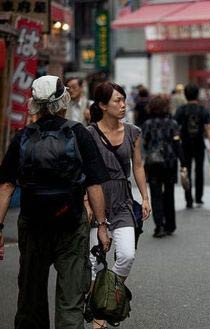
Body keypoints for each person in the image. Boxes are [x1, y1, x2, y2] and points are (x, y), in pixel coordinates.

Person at [0, 75, 111, 329]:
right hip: (71, 225)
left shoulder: (22, 137)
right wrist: (102, 225)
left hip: (32, 226)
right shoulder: (78, 133)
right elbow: (94, 184)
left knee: (30, 299)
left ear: (34, 104)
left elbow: (6, 185)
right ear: (63, 101)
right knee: (71, 300)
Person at [87, 82, 151, 329]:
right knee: (95, 262)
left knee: (126, 254)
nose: (123, 105)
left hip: (123, 200)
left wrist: (145, 197)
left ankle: (106, 299)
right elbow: (84, 171)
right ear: (102, 105)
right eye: (117, 101)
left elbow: (138, 166)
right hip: (97, 198)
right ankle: (98, 313)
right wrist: (87, 203)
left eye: (124, 100)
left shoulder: (133, 132)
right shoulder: (89, 134)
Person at [142, 96, 187, 237]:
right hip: (170, 162)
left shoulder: (147, 124)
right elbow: (177, 144)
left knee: (155, 194)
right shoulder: (172, 124)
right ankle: (170, 225)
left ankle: (159, 226)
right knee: (169, 193)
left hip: (153, 163)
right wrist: (183, 162)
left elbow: (144, 144)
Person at [174, 83, 210, 208]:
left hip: (185, 144)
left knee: (186, 171)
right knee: (199, 171)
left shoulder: (181, 110)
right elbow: (208, 128)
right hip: (199, 144)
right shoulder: (203, 110)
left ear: (185, 95)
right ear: (197, 95)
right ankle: (199, 197)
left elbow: (175, 128)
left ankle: (189, 199)